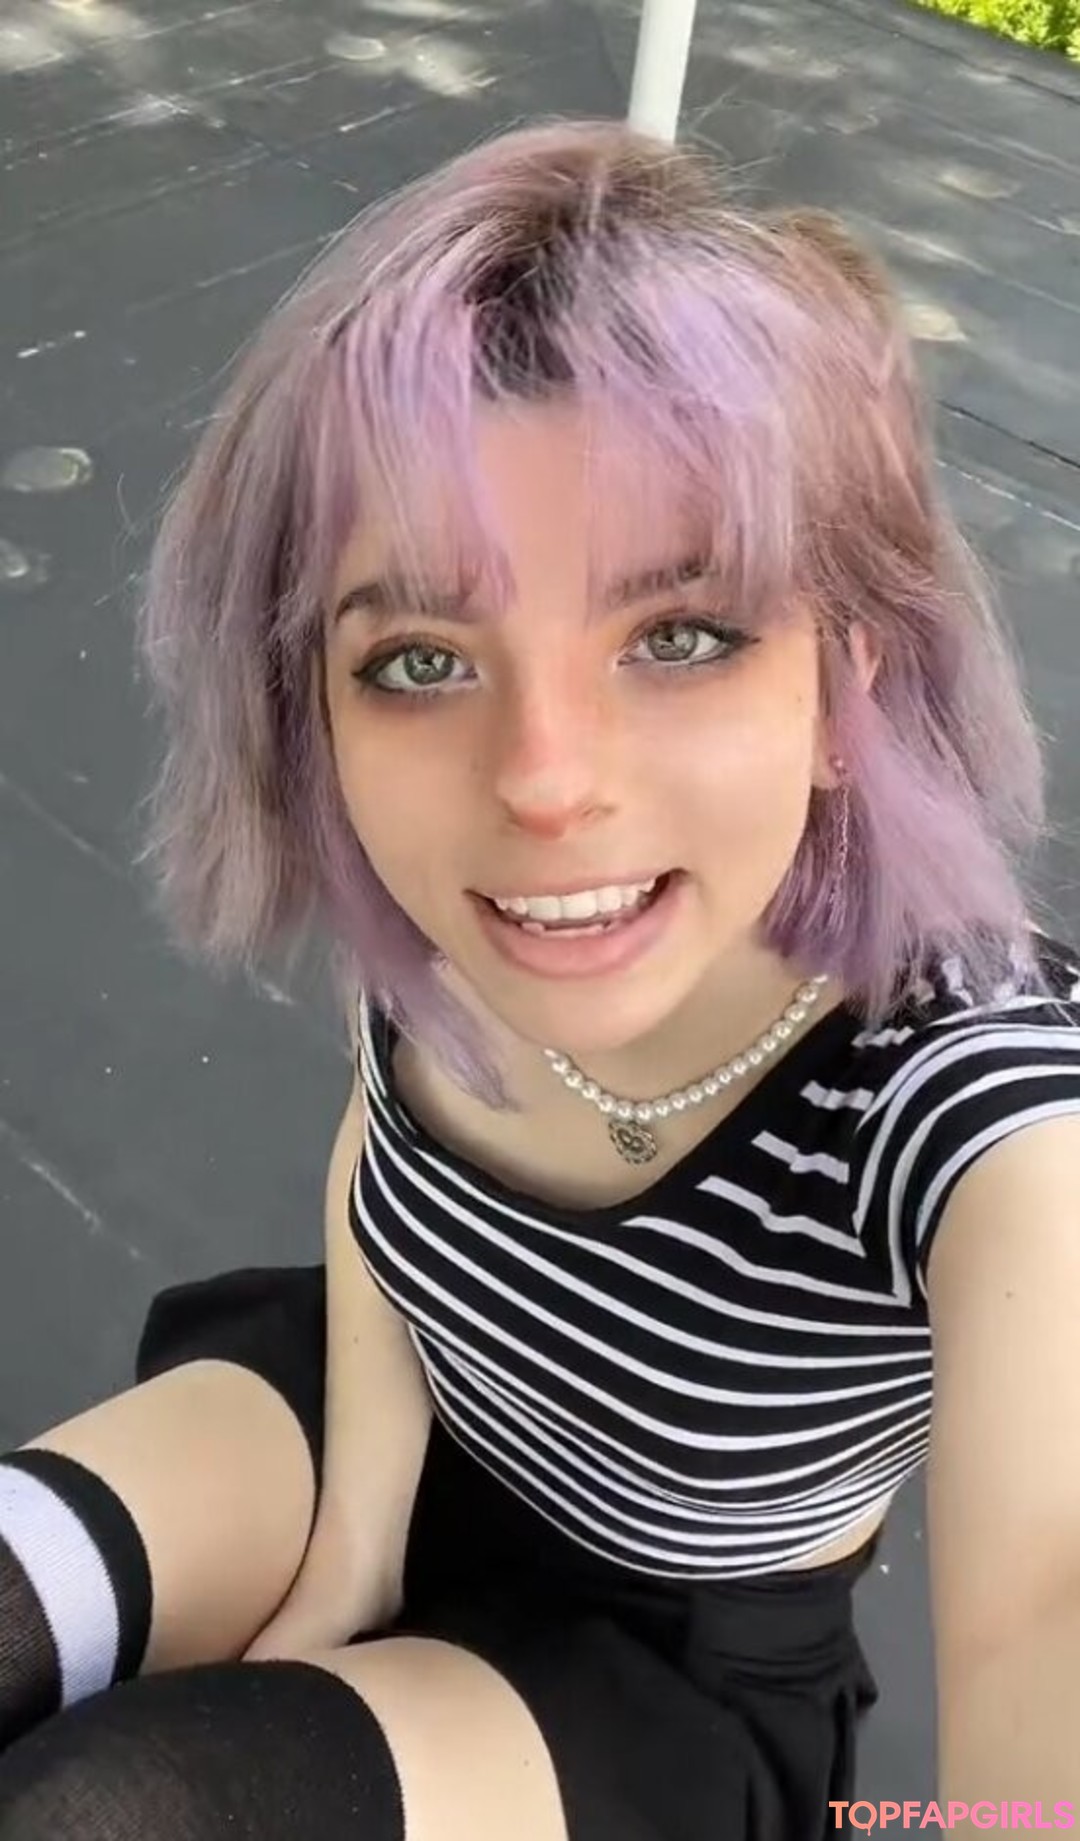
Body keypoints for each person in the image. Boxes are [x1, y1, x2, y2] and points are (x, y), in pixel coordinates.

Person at [1, 116, 1078, 1841]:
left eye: (682, 634)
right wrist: (356, 1539)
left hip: (664, 1659)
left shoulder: (984, 1112)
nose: (544, 784)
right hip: (371, 1407)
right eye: (423, 659)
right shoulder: (463, 910)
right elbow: (382, 1159)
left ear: (848, 685)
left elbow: (1046, 1617)